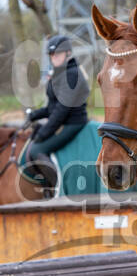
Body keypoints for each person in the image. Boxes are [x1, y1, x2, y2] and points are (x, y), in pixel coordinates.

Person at [27, 35, 90, 193]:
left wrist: (44, 132)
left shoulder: (72, 73)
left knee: (36, 150)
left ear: (68, 53)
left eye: (57, 54)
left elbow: (62, 109)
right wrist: (34, 115)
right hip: (63, 119)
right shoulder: (59, 73)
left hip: (73, 122)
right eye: (51, 55)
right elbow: (52, 107)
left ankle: (57, 188)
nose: (53, 58)